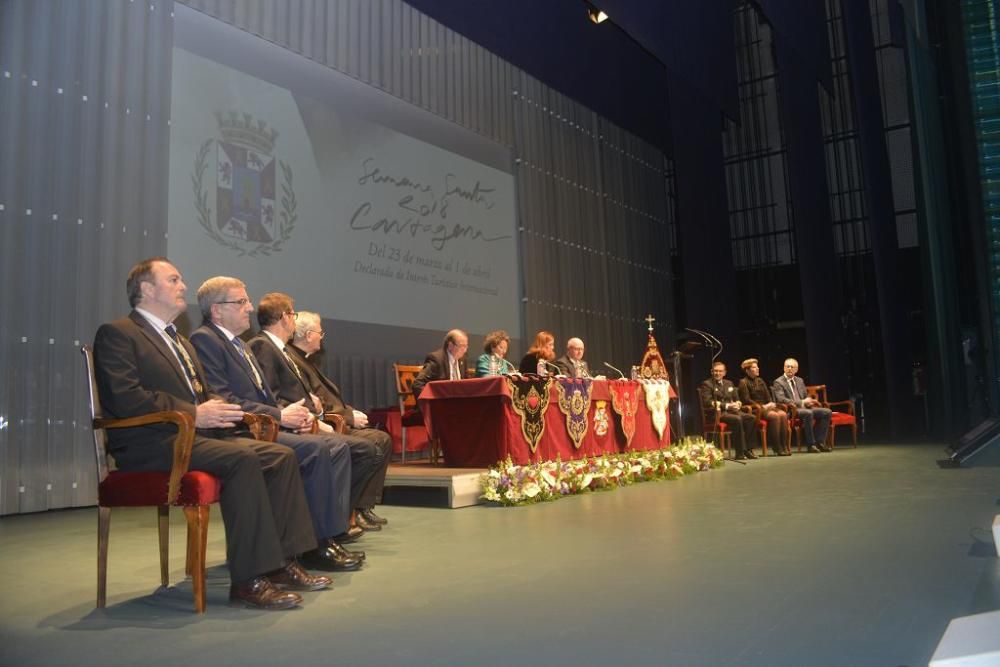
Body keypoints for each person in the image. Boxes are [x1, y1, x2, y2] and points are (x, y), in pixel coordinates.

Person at [92, 258, 330, 610]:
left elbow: (202, 396)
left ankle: (282, 562)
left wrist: (218, 411)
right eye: (173, 279)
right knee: (243, 458)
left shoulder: (182, 342)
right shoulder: (118, 334)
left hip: (194, 438)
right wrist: (194, 413)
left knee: (280, 455)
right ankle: (249, 579)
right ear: (147, 289)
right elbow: (125, 398)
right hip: (151, 443)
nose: (183, 286)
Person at [188, 277, 364, 571]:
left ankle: (325, 536)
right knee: (315, 449)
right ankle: (313, 545)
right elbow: (225, 400)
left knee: (327, 446)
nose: (250, 308)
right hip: (241, 430)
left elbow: (264, 394)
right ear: (217, 310)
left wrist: (291, 413)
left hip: (260, 424)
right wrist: (280, 416)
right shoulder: (206, 339)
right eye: (241, 302)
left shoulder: (239, 345)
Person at [248, 293, 383, 538]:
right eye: (293, 314)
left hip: (305, 421)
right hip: (288, 426)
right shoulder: (263, 345)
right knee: (361, 451)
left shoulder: (278, 349)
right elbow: (270, 396)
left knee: (365, 449)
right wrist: (308, 418)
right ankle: (328, 527)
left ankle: (334, 522)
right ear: (285, 318)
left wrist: (317, 413)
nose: (294, 320)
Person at [288, 311, 393, 528]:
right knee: (373, 443)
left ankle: (362, 506)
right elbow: (311, 402)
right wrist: (347, 416)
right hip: (327, 423)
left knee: (382, 439)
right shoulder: (294, 360)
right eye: (319, 332)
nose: (322, 337)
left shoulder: (306, 360)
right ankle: (349, 510)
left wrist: (348, 411)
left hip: (334, 419)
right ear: (308, 335)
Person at [699, 361, 758, 459]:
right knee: (737, 419)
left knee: (751, 418)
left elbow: (737, 398)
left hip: (732, 411)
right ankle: (740, 452)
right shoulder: (707, 384)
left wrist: (738, 404)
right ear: (711, 372)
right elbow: (707, 402)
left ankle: (748, 449)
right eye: (716, 371)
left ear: (724, 373)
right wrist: (726, 406)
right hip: (717, 413)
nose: (718, 373)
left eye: (720, 371)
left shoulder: (729, 383)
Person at [772, 358, 832, 453]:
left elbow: (804, 396)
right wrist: (802, 402)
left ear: (796, 369)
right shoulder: (778, 382)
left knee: (826, 412)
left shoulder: (800, 380)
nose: (790, 369)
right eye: (788, 366)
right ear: (784, 368)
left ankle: (820, 442)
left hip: (804, 407)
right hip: (791, 410)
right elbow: (781, 399)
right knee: (808, 413)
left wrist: (809, 401)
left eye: (792, 367)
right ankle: (811, 444)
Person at [737, 358, 791, 456]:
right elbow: (746, 399)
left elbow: (768, 396)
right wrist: (763, 406)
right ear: (747, 370)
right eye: (754, 367)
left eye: (757, 366)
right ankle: (777, 447)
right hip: (755, 409)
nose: (757, 369)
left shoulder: (760, 380)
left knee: (783, 414)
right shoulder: (743, 382)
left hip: (766, 407)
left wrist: (770, 403)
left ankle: (784, 446)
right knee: (775, 416)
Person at [410, 329, 470, 399]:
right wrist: (432, 402)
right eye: (462, 346)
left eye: (466, 346)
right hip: (440, 402)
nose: (465, 350)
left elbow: (466, 384)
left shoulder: (463, 360)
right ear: (450, 345)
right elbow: (418, 384)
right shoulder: (436, 359)